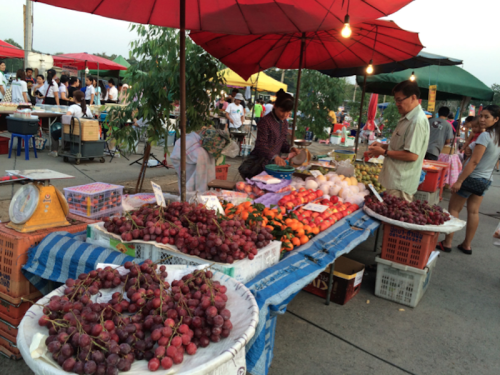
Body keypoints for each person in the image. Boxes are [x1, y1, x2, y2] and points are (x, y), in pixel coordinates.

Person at [438, 105, 500, 255]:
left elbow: (474, 162)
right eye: (482, 116)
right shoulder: (497, 136)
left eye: (487, 117)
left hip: (471, 177)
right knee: (473, 212)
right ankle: (467, 245)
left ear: (496, 119)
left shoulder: (486, 136)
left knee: (454, 208)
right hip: (485, 180)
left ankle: (447, 242)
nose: (483, 119)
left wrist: (459, 181)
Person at [367, 80, 430, 202]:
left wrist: (384, 152)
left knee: (394, 217)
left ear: (413, 98)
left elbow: (412, 155)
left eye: (399, 100)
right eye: (396, 100)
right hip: (395, 181)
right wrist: (383, 146)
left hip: (401, 184)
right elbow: (400, 146)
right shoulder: (407, 117)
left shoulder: (416, 121)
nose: (397, 104)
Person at [240, 91, 300, 179]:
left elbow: (282, 142)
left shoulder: (284, 123)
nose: (285, 115)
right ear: (275, 106)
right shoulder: (265, 122)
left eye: (288, 112)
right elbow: (261, 145)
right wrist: (274, 156)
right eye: (282, 111)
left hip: (274, 167)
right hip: (260, 165)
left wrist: (291, 148)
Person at [48, 91, 93, 157]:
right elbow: (92, 118)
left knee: (54, 133)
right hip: (84, 131)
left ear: (74, 98)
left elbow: (67, 116)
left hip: (73, 130)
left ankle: (55, 151)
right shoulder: (87, 108)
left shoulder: (73, 107)